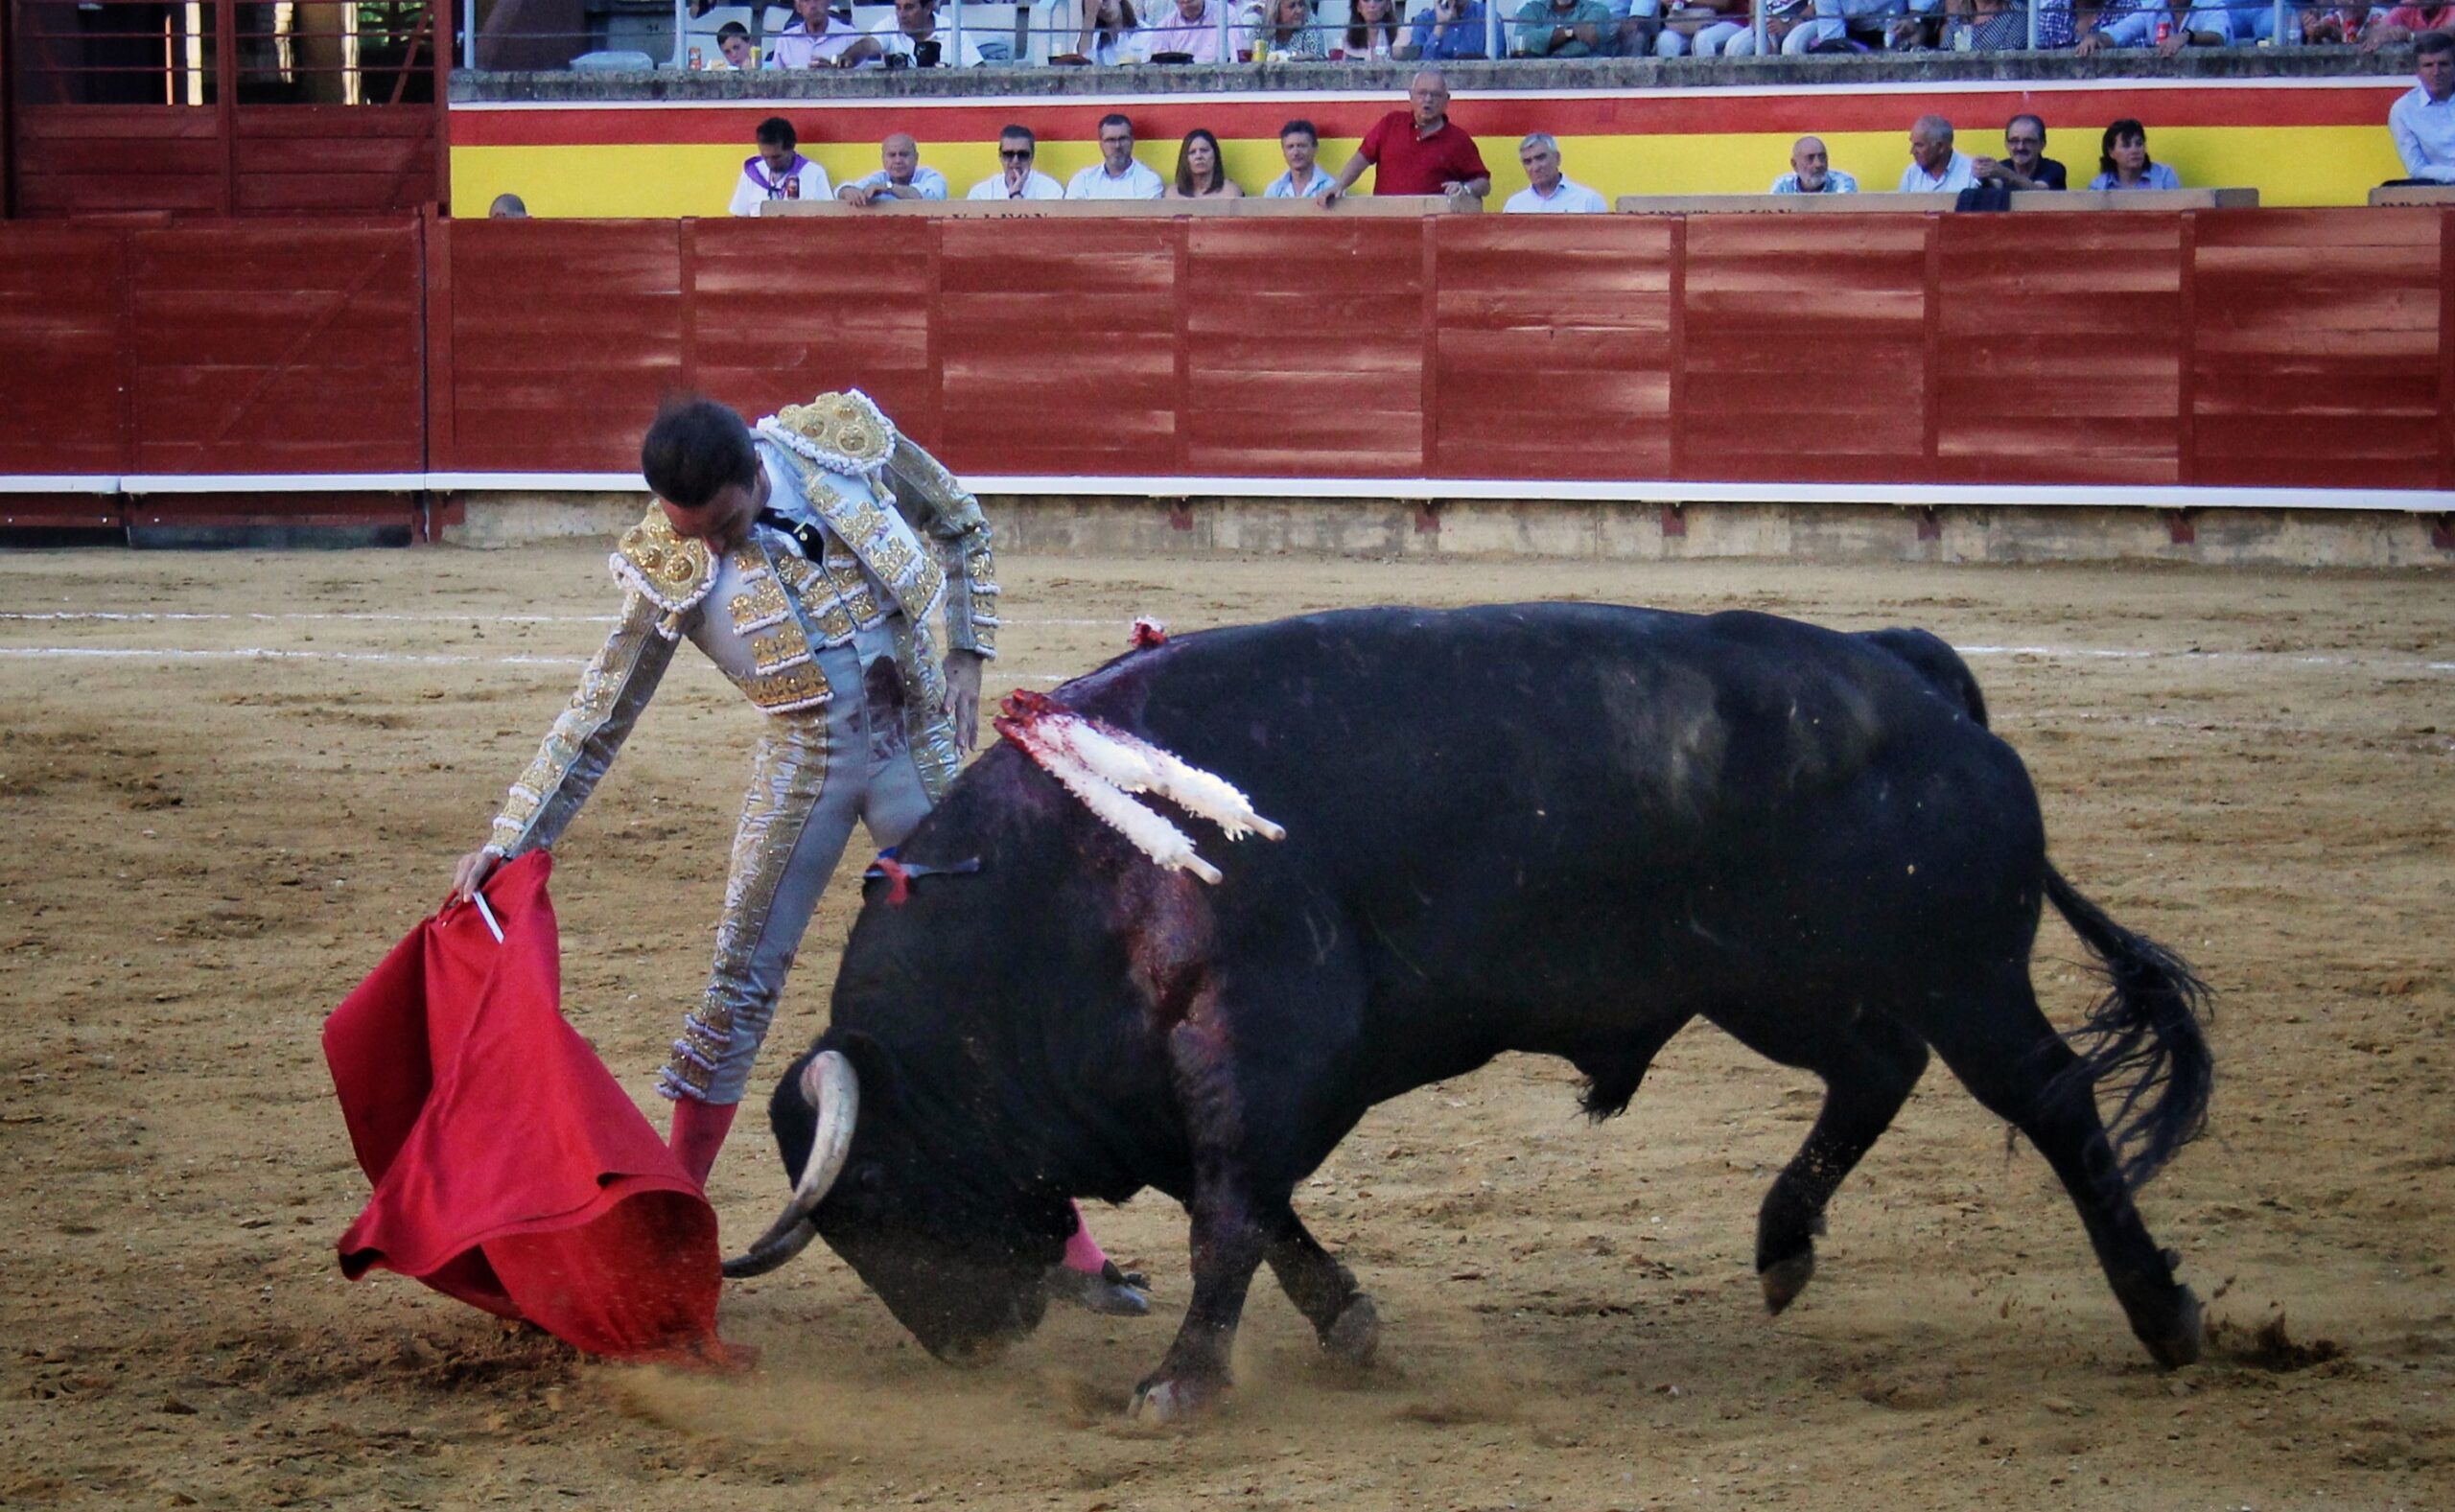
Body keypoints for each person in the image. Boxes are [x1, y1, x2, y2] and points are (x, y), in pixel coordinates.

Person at [445, 394, 1148, 1317]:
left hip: (919, 745)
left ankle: (1068, 1244)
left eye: (728, 525)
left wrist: (970, 651)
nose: (718, 549)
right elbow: (600, 713)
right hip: (805, 765)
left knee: (997, 983)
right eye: (694, 532)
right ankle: (671, 1240)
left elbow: (962, 520)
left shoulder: (838, 444)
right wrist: (512, 837)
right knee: (737, 986)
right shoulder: (671, 558)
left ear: (753, 470)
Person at [1318, 69, 1490, 204]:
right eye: (1422, 93)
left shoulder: (1459, 139)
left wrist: (1465, 188)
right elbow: (1361, 159)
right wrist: (1339, 185)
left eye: (1435, 94)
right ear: (1411, 96)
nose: (1428, 99)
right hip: (1388, 226)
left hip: (1433, 233)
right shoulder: (1391, 124)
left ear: (1447, 100)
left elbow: (1484, 184)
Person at [2388, 29, 2455, 183]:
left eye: (2443, 64)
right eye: (2428, 65)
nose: (2436, 72)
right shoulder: (2403, 110)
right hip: (2436, 194)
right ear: (2417, 71)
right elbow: (2416, 168)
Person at [730, 117, 831, 216]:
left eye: (776, 157)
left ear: (791, 147)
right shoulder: (752, 173)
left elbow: (829, 217)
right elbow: (739, 217)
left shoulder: (814, 173)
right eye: (765, 157)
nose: (770, 163)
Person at [1068, 114, 1167, 199]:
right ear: (1101, 144)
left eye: (1123, 139)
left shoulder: (1148, 180)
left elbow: (1142, 220)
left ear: (1132, 141)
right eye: (1110, 140)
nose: (1117, 146)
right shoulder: (1083, 180)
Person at [2074, 0, 2232, 53]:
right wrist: (2095, 38)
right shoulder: (2153, 8)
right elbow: (2118, 33)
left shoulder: (2211, 4)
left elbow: (2216, 37)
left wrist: (2186, 36)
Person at [1504, 132, 1607, 212]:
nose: (1535, 167)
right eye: (1527, 162)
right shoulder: (1514, 206)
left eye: (1540, 158)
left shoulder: (1588, 201)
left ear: (1557, 158)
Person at [838, 131, 949, 204]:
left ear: (916, 158)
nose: (898, 161)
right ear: (883, 160)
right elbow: (843, 190)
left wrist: (888, 188)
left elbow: (932, 199)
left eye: (904, 155)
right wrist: (847, 191)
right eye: (892, 155)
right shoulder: (880, 177)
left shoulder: (931, 176)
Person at [767, 0, 884, 66]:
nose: (813, 6)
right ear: (798, 7)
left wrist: (832, 75)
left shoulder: (851, 38)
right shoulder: (786, 41)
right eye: (806, 0)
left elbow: (861, 87)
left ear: (829, 2)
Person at [872, 0, 991, 64]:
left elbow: (979, 70)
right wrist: (853, 56)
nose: (901, 15)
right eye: (898, 7)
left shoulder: (951, 28)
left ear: (928, 8)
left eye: (909, 7)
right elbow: (867, 44)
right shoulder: (890, 24)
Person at [967, 125, 1066, 199]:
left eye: (1022, 154)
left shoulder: (1051, 189)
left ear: (1032, 156)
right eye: (1009, 154)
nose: (1015, 161)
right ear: (1000, 156)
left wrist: (1016, 195)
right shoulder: (981, 192)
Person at [1973, 113, 2067, 191]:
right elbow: (1995, 186)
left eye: (2028, 141)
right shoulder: (2003, 166)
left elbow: (2038, 191)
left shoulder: (2054, 169)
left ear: (2042, 145)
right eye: (2014, 141)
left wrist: (2005, 174)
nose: (2020, 147)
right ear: (2006, 144)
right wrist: (1983, 175)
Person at [2088, 118, 2183, 190]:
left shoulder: (2164, 176)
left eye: (2139, 144)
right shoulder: (2099, 186)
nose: (2134, 150)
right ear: (2111, 152)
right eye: (2126, 146)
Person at [1898, 114, 1976, 193]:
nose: (1912, 151)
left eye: (1919, 145)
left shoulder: (1972, 174)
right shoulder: (1911, 174)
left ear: (1940, 147)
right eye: (1913, 144)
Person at [1511, 0, 1614, 56]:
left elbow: (1580, 49)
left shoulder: (1597, 10)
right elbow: (1524, 42)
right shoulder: (1531, 10)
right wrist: (1570, 32)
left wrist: (1544, 48)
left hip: (1585, 83)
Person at [1264, 119, 1336, 197]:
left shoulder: (1331, 187)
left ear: (1315, 148)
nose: (1296, 152)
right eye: (1290, 147)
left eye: (1301, 146)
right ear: (1283, 151)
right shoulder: (1274, 190)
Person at [1138, 0, 1231, 58]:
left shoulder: (1227, 15)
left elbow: (1237, 60)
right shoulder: (1164, 27)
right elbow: (1159, 68)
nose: (1186, 1)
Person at [1169, 128, 1246, 198]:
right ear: (1185, 158)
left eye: (1204, 150)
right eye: (1192, 152)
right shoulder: (1173, 194)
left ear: (1215, 155)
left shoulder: (1230, 192)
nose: (1198, 156)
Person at [1768, 135, 1857, 193]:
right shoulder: (1783, 186)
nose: (1818, 164)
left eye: (1822, 157)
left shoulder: (1843, 182)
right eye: (1810, 158)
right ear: (1794, 164)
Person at [1406, 0, 1492, 58]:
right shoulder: (1423, 21)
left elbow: (1497, 66)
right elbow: (1419, 70)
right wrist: (1440, 27)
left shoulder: (1489, 18)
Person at [1244, 0, 1332, 55]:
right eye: (1292, 6)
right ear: (1276, 9)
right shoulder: (1260, 28)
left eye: (1301, 4)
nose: (1299, 10)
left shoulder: (1311, 25)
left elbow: (1314, 68)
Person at [1064, 0, 1140, 61]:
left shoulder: (1146, 34)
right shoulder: (1090, 35)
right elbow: (1080, 65)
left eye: (1105, 1)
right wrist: (1090, 16)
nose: (1103, 8)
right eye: (1098, 7)